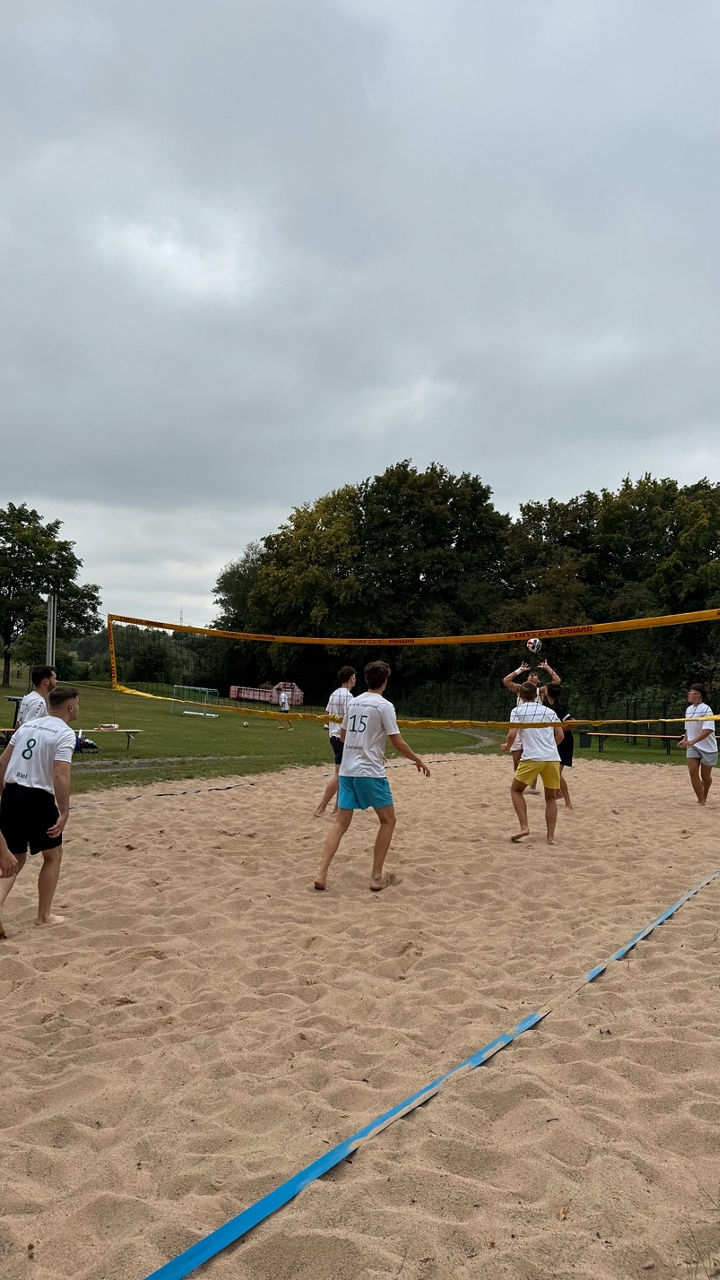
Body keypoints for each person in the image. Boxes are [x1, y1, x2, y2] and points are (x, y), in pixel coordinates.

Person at [313, 660, 430, 892]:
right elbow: (398, 743)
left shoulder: (354, 702)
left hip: (347, 771)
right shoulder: (384, 705)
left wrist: (370, 749)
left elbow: (344, 736)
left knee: (340, 824)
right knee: (388, 820)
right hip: (369, 773)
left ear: (367, 679)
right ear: (385, 681)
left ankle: (321, 874)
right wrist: (418, 760)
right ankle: (376, 877)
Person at [0, 685, 79, 934]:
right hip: (38, 798)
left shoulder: (27, 726)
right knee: (53, 855)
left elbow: (3, 761)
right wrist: (64, 810)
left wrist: (3, 792)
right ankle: (43, 916)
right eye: (78, 703)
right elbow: (60, 774)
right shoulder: (65, 733)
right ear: (70, 707)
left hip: (12, 792)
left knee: (14, 857)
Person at [500, 681, 564, 844]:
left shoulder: (517, 710)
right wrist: (548, 747)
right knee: (550, 798)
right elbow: (561, 736)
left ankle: (524, 827)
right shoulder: (548, 711)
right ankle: (550, 837)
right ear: (536, 696)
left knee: (516, 790)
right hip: (551, 758)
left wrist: (507, 746)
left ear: (520, 696)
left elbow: (512, 734)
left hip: (532, 758)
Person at [502, 659, 561, 794]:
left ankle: (532, 787)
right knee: (516, 757)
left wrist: (547, 667)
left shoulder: (541, 691)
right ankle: (519, 780)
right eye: (530, 674)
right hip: (519, 724)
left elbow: (557, 682)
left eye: (535, 675)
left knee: (532, 755)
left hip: (535, 727)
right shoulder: (520, 690)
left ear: (538, 681)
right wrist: (520, 670)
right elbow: (506, 681)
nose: (533, 674)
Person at [313, 665, 356, 818]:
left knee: (343, 773)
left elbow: (326, 714)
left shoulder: (334, 694)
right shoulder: (349, 697)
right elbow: (351, 720)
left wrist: (328, 724)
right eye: (354, 677)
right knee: (339, 774)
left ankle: (337, 808)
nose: (355, 679)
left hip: (333, 736)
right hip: (342, 737)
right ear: (351, 678)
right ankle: (321, 808)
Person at [677, 684, 717, 806]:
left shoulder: (706, 709)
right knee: (692, 771)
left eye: (691, 692)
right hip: (693, 746)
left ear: (698, 694)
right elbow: (688, 728)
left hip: (708, 747)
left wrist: (693, 741)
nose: (688, 694)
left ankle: (704, 794)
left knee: (705, 777)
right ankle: (701, 800)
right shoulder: (688, 710)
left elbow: (708, 730)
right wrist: (685, 739)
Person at [539, 682, 574, 809]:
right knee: (554, 772)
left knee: (556, 773)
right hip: (557, 740)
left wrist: (560, 729)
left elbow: (573, 723)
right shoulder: (550, 707)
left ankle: (567, 801)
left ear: (547, 692)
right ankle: (560, 795)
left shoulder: (558, 709)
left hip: (564, 741)